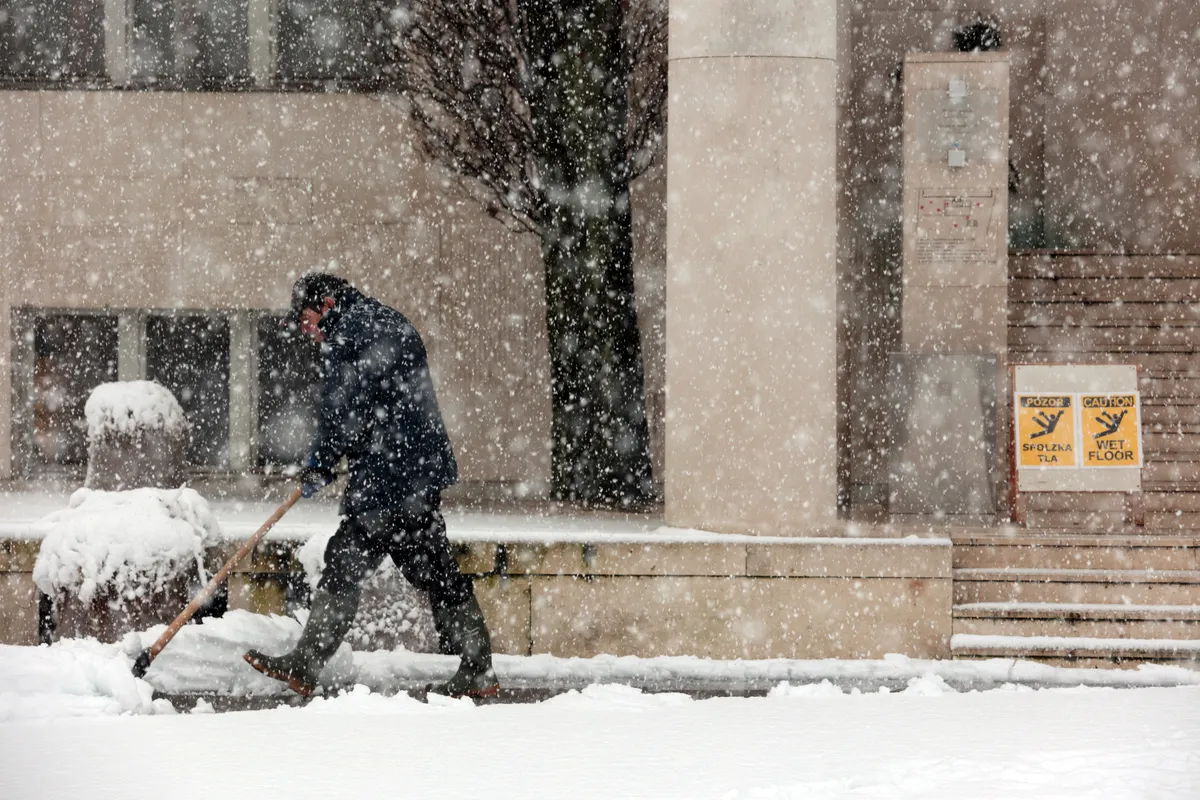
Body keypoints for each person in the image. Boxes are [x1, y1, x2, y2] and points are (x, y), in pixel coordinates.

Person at [244, 272, 499, 699]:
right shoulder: (386, 321)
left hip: (387, 474)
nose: (305, 331)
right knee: (436, 571)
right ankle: (478, 666)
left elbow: (342, 407)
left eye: (306, 319)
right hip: (416, 471)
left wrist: (320, 465)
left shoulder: (349, 334)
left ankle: (306, 663)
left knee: (345, 562)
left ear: (325, 305)